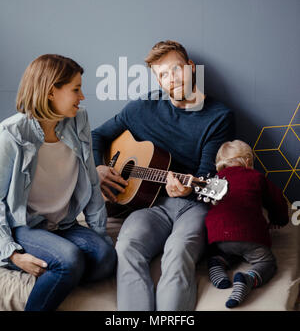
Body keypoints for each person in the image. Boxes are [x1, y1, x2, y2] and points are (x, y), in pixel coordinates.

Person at [92, 40, 235, 311]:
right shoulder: (141, 108)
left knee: (178, 251)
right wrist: (97, 168)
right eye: (163, 75)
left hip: (193, 203)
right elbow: (96, 135)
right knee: (127, 247)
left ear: (191, 68)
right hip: (149, 205)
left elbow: (206, 175)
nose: (172, 80)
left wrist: (187, 188)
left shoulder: (219, 117)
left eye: (176, 70)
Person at [0, 54, 116, 311]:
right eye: (76, 89)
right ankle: (60, 267)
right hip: (26, 226)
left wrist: (97, 236)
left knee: (106, 257)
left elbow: (91, 181)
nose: (82, 97)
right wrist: (12, 254)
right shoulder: (11, 134)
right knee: (70, 259)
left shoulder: (79, 120)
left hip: (64, 224)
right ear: (52, 91)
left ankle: (61, 270)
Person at [205, 139, 289, 308]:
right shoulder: (256, 177)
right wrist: (279, 220)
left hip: (219, 239)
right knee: (267, 263)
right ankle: (248, 278)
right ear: (249, 161)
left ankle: (217, 264)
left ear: (219, 162)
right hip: (250, 237)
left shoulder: (213, 181)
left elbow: (209, 206)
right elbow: (277, 201)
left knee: (231, 252)